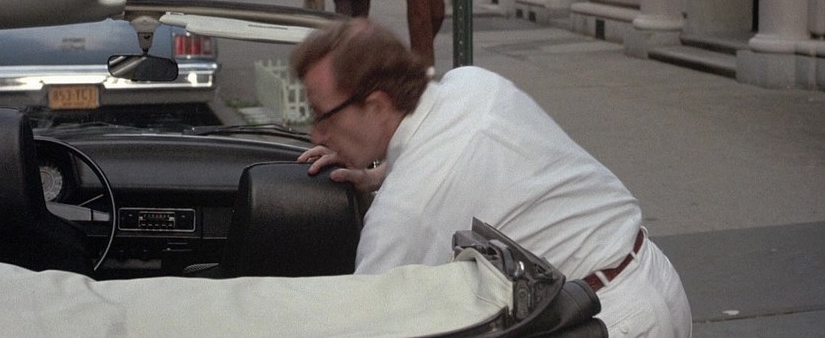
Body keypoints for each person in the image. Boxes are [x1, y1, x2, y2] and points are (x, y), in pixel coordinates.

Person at [292, 18, 692, 338]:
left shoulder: (406, 213)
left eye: (323, 115)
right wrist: (379, 174)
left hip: (605, 318)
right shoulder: (472, 83)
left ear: (377, 105)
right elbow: (450, 158)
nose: (317, 134)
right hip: (651, 276)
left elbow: (367, 322)